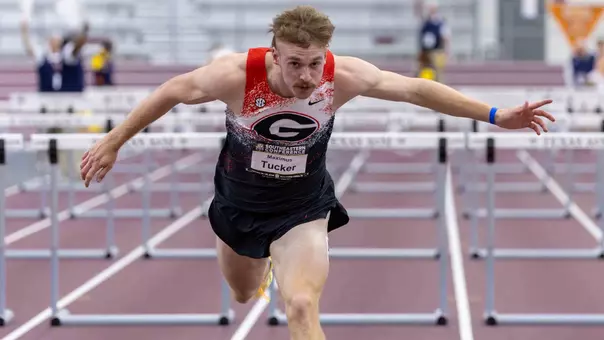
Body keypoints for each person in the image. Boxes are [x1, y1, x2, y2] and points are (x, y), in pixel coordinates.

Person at [79, 6, 555, 340]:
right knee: (244, 294)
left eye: (313, 64)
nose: (307, 77)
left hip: (302, 209)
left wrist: (496, 115)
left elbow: (414, 91)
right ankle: (261, 267)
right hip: (237, 205)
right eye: (294, 65)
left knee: (302, 306)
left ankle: (283, 264)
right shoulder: (233, 76)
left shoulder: (341, 75)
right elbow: (171, 91)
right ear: (273, 54)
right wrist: (114, 140)